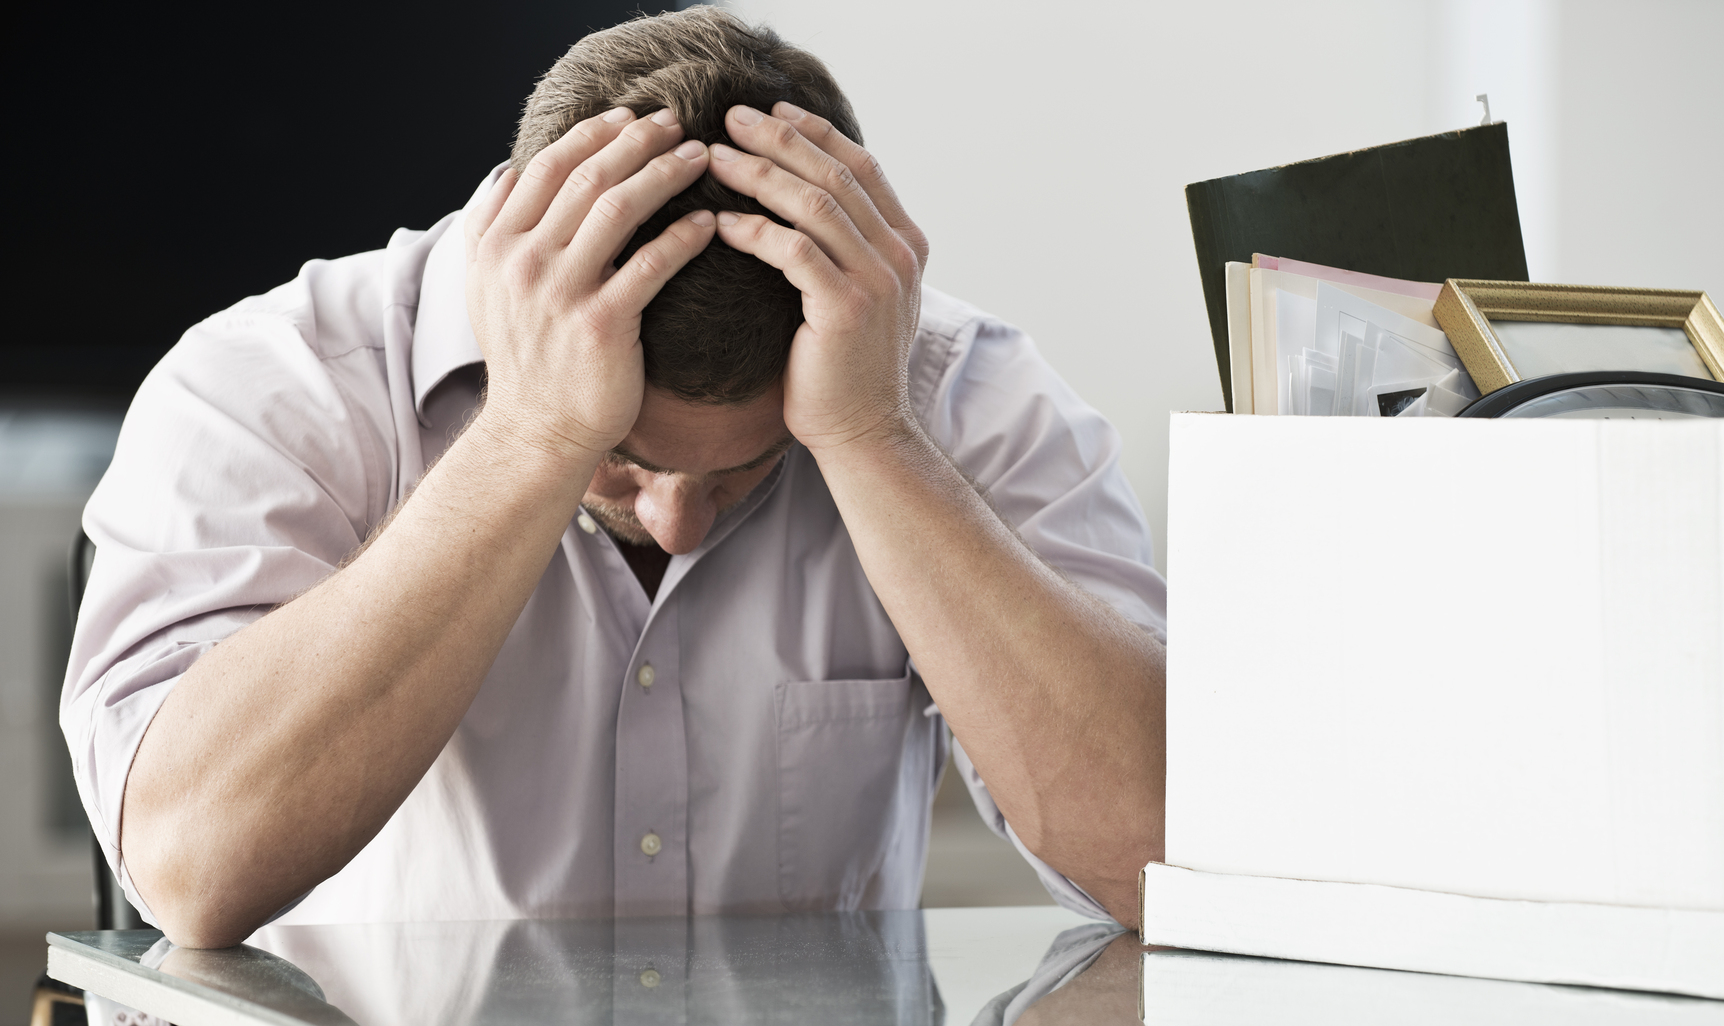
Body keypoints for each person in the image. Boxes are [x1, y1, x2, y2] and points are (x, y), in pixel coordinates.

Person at [62, 6, 1166, 949]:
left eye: (746, 475)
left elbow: (1165, 864)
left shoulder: (962, 397)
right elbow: (189, 872)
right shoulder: (273, 385)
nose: (679, 521)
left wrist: (872, 437)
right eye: (625, 463)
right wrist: (530, 438)